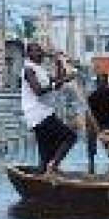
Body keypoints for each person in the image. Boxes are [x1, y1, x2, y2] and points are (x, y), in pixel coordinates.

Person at [21, 42, 77, 174]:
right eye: (36, 51)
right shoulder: (28, 69)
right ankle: (53, 165)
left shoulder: (40, 70)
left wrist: (59, 63)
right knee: (70, 137)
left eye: (40, 51)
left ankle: (44, 173)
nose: (40, 54)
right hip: (39, 114)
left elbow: (57, 83)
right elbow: (38, 91)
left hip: (43, 113)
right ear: (28, 54)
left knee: (45, 154)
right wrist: (64, 80)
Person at [85, 73, 109, 173]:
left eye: (104, 82)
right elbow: (88, 112)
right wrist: (89, 124)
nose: (102, 84)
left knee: (108, 145)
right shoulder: (92, 95)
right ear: (97, 83)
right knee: (92, 145)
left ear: (106, 83)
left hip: (104, 123)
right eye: (101, 82)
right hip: (93, 122)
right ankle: (91, 166)